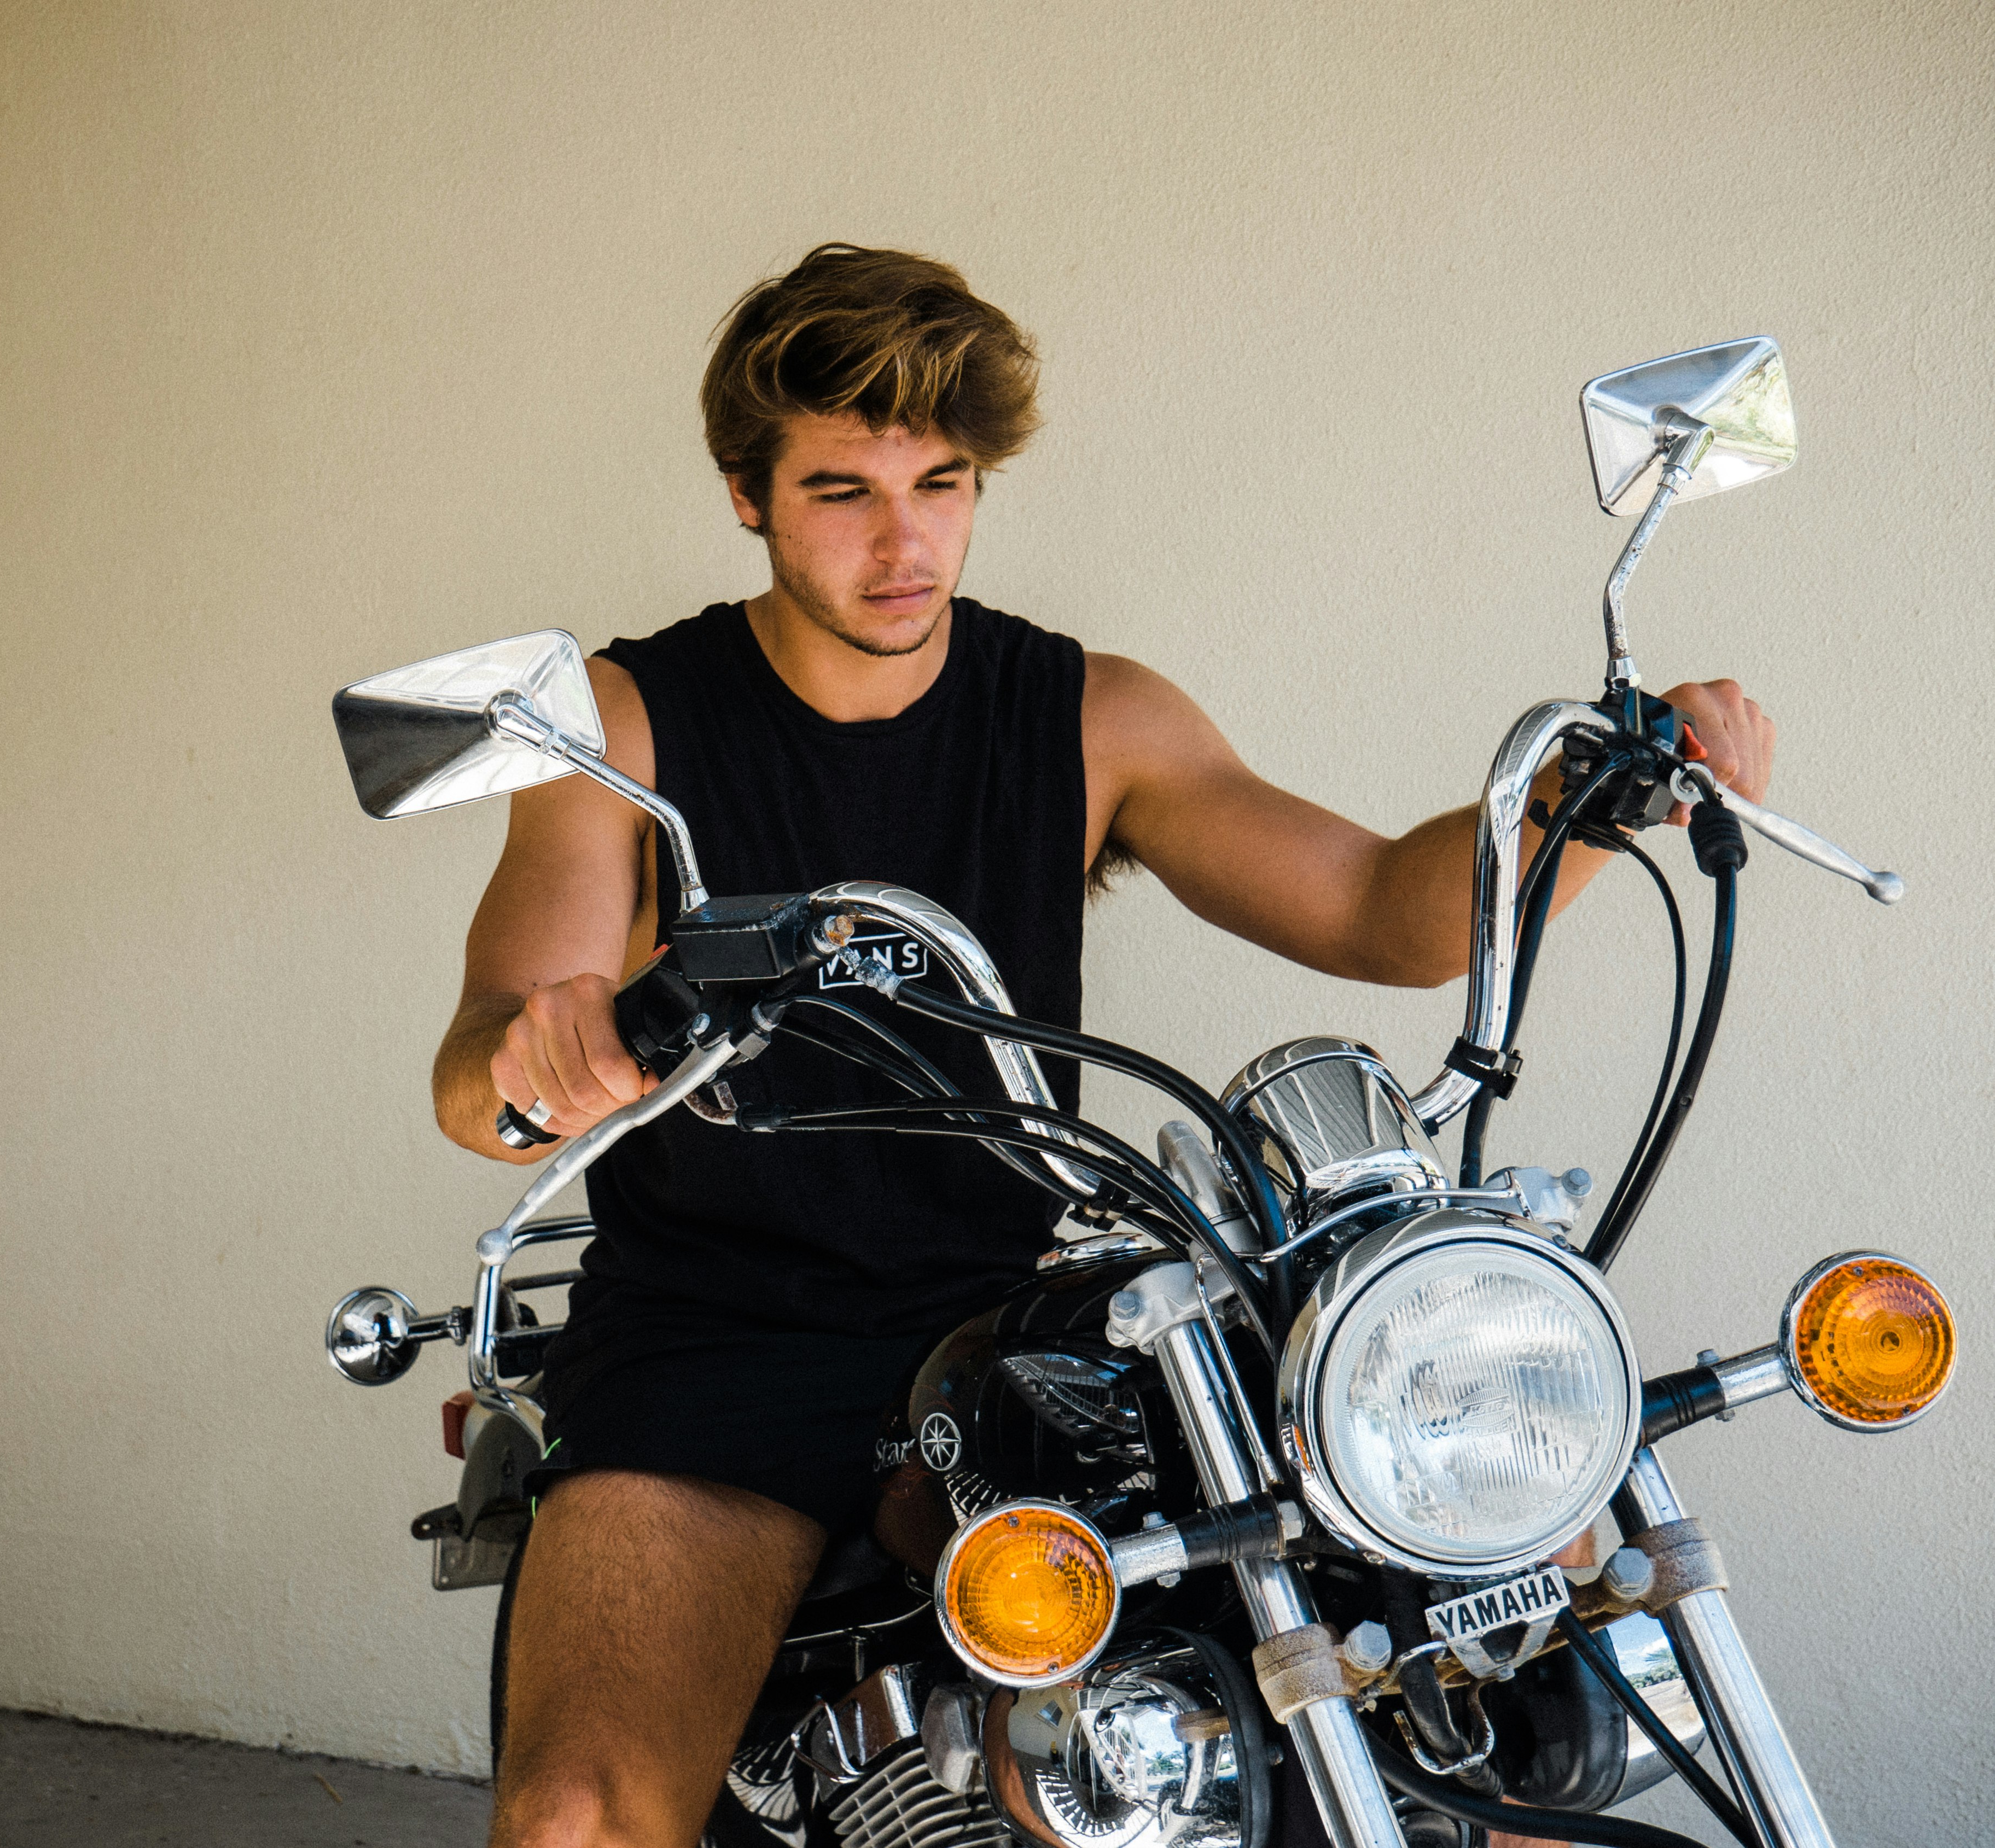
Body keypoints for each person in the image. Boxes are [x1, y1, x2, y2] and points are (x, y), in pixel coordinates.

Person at [428, 244, 1774, 1848]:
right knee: (579, 1815)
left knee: (1471, 1665)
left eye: (941, 482)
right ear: (747, 495)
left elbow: (1375, 911)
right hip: (720, 1338)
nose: (902, 539)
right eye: (844, 490)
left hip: (1021, 1332)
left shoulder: (1085, 715)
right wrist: (546, 1046)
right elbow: (487, 1054)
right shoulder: (621, 724)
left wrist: (1566, 802)